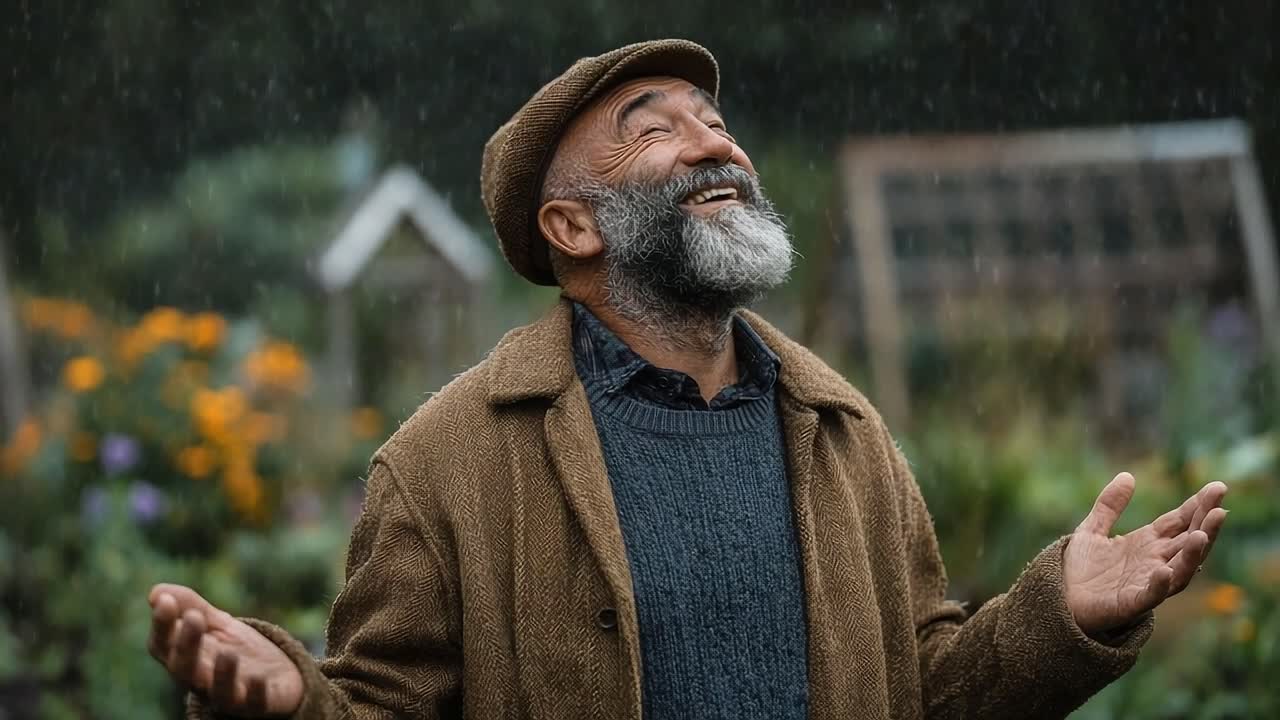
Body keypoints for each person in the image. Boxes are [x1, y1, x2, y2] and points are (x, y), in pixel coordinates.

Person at [146, 39, 1228, 720]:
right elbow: (382, 707)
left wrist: (1054, 616)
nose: (715, 146)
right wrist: (288, 700)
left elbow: (920, 688)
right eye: (654, 131)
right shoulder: (444, 464)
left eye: (715, 123)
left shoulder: (839, 429)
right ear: (573, 227)